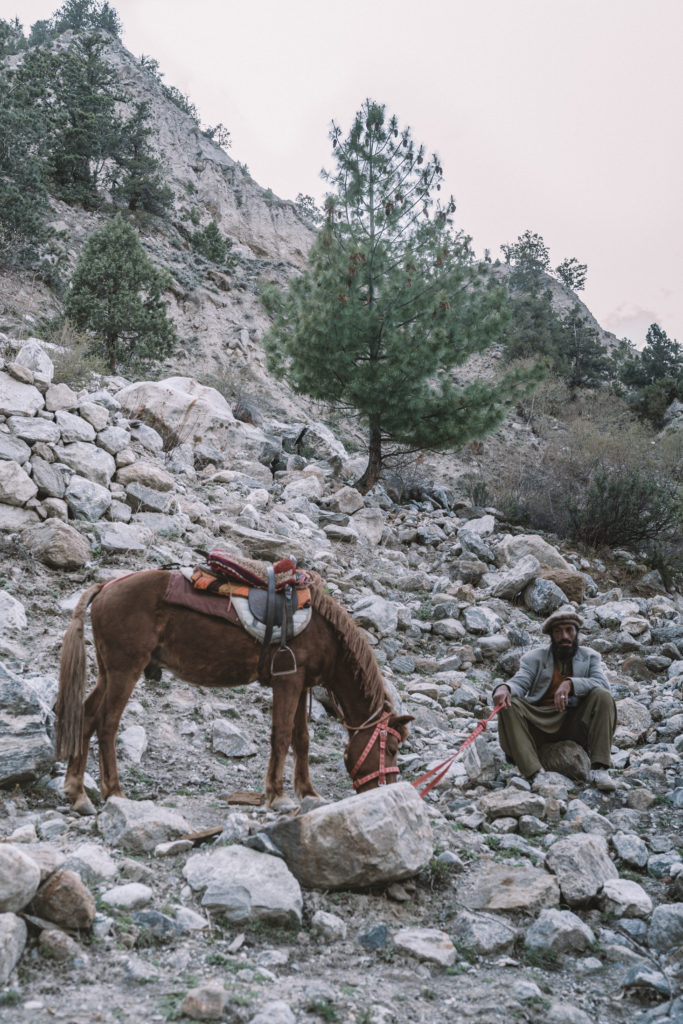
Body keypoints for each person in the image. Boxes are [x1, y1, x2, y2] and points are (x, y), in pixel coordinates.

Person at [492, 607, 617, 792]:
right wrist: (505, 688)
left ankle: (599, 769)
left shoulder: (590, 657)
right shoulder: (534, 658)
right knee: (510, 704)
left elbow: (603, 685)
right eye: (558, 631)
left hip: (574, 722)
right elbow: (520, 682)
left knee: (602, 696)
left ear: (577, 633)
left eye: (569, 630)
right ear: (551, 635)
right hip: (539, 723)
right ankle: (535, 773)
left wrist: (570, 683)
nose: (564, 636)